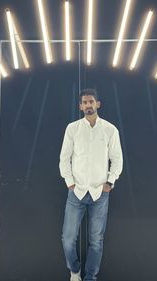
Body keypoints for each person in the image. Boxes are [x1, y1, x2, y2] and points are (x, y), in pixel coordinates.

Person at [59, 88, 123, 281]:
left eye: (91, 102)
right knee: (68, 239)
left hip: (99, 193)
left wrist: (110, 182)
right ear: (80, 106)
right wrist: (70, 183)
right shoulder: (72, 128)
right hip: (76, 192)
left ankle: (90, 278)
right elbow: (64, 158)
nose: (88, 105)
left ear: (97, 104)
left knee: (96, 240)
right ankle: (75, 271)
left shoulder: (110, 130)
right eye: (85, 102)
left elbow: (117, 159)